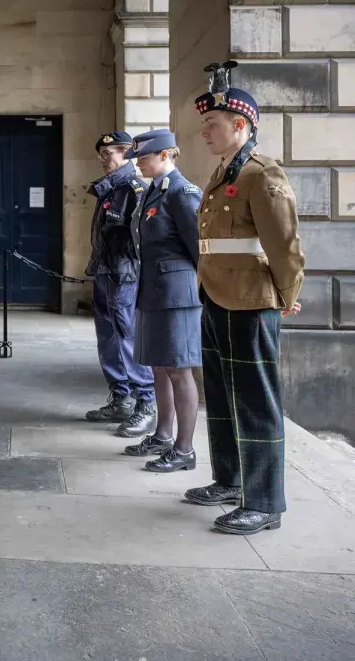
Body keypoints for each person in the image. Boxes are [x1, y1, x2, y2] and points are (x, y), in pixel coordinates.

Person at [183, 61, 305, 535]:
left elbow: (286, 245)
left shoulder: (261, 174)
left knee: (255, 399)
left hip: (252, 299)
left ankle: (264, 502)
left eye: (211, 125)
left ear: (240, 125)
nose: (204, 133)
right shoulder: (224, 171)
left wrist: (286, 295)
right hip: (216, 294)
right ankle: (230, 480)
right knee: (222, 394)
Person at [120, 129, 203, 471]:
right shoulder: (153, 192)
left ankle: (184, 450)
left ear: (166, 155)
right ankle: (163, 434)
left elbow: (200, 249)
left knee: (179, 369)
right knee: (158, 365)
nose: (138, 163)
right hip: (153, 289)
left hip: (177, 294)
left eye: (143, 157)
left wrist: (204, 293)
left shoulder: (182, 193)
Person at [84, 131, 156, 435]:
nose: (103, 158)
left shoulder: (133, 188)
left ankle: (146, 403)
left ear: (126, 153)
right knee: (108, 337)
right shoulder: (110, 189)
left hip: (124, 274)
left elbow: (141, 238)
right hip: (104, 270)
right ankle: (121, 397)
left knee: (127, 336)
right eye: (101, 153)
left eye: (109, 153)